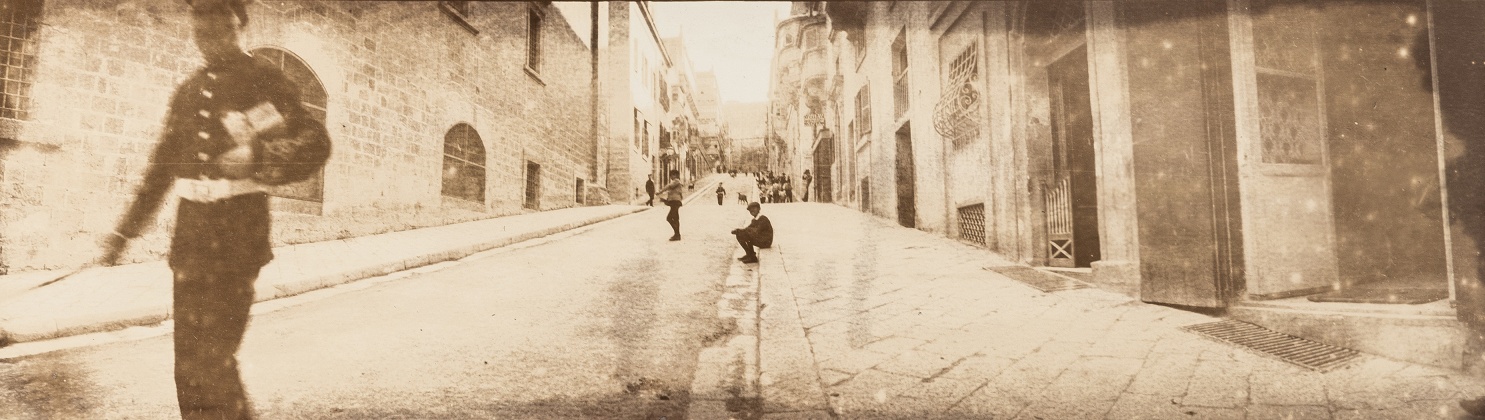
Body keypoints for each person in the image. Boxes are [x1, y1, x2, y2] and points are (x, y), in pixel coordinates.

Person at [98, 0, 332, 418]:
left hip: (237, 240)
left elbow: (315, 142)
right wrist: (124, 232)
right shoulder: (188, 91)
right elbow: (161, 167)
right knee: (188, 364)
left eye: (218, 25)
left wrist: (258, 155)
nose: (207, 36)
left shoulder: (265, 79)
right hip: (190, 241)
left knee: (213, 360)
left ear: (240, 25)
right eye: (200, 27)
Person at [657, 169, 685, 240]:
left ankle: (677, 234)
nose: (670, 177)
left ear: (675, 175)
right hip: (675, 202)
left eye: (671, 175)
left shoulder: (676, 181)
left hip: (675, 202)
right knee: (675, 218)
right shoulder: (676, 182)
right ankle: (677, 235)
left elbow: (669, 186)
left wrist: (660, 191)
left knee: (669, 218)